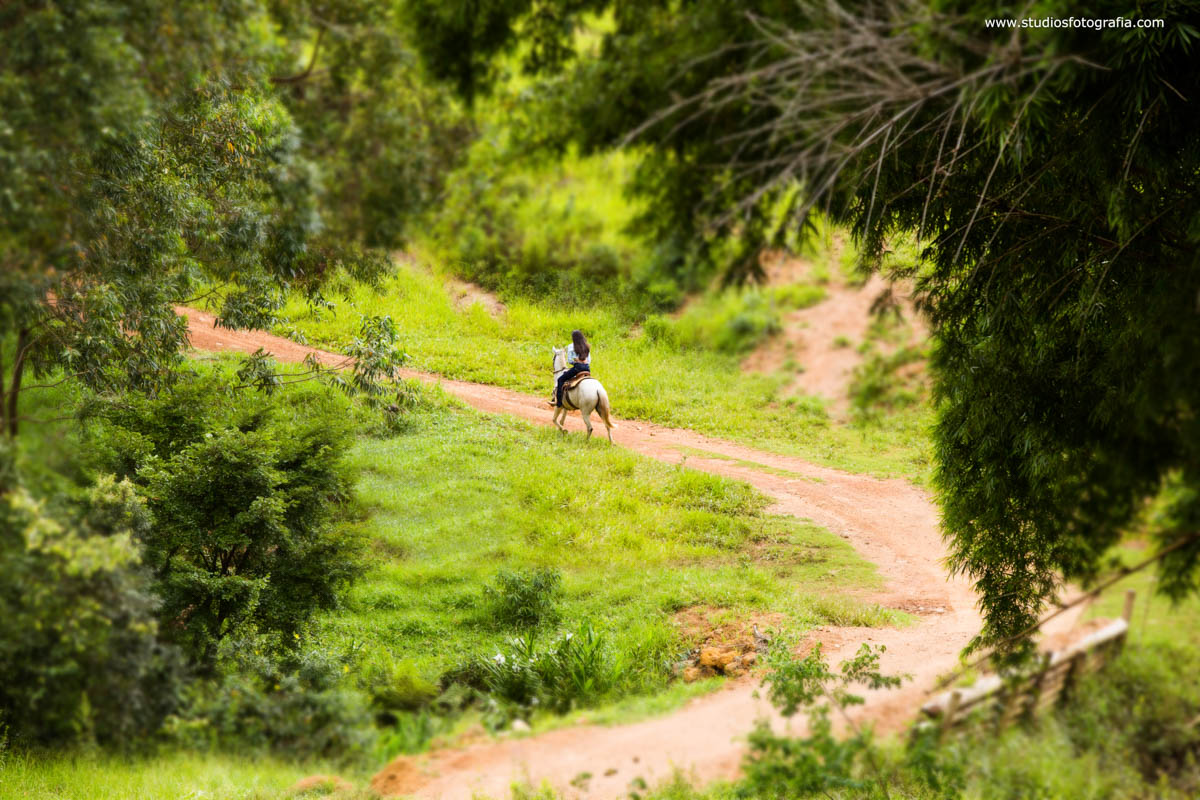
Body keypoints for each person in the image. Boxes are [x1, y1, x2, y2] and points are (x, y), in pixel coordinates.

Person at [553, 330, 591, 407]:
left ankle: (559, 402)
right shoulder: (587, 346)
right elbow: (589, 360)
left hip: (577, 368)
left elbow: (570, 360)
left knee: (560, 380)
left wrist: (576, 361)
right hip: (587, 368)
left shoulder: (571, 346)